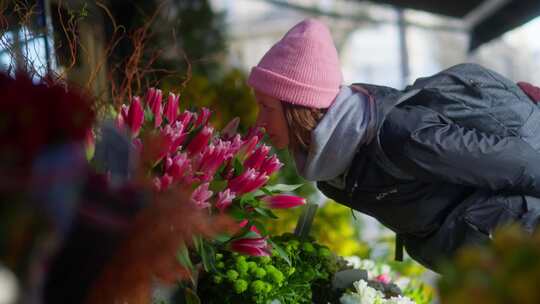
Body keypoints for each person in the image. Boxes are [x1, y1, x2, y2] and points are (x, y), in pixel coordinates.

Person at [246, 18, 540, 271]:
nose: (259, 122)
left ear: (299, 108)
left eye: (267, 108)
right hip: (486, 262)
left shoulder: (401, 137)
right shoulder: (331, 168)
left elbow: (522, 163)